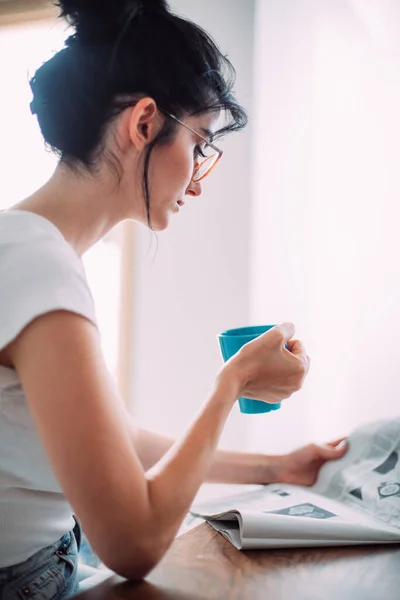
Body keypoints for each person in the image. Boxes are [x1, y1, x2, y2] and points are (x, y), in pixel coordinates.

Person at [0, 0, 348, 597]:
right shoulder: (40, 267)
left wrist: (275, 469)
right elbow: (133, 543)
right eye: (201, 143)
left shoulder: (23, 245)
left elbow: (117, 443)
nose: (197, 178)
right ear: (143, 123)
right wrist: (231, 384)